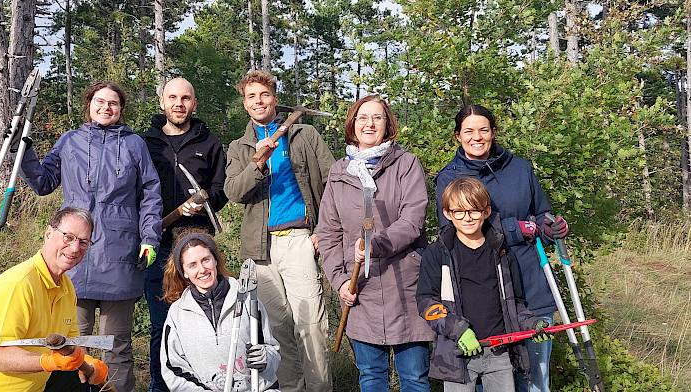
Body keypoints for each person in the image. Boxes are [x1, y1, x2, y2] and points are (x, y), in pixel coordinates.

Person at [18, 81, 163, 392]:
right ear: (89, 105)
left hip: (122, 256)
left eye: (113, 103)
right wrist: (25, 150)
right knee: (71, 346)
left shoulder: (135, 145)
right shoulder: (70, 141)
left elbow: (151, 194)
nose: (106, 107)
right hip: (74, 255)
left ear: (121, 109)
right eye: (100, 101)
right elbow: (44, 182)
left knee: (117, 346)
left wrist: (150, 238)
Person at [435, 104, 569, 392]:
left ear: (493, 133)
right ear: (458, 136)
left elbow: (542, 213)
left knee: (535, 381)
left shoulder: (520, 168)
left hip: (530, 287)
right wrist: (516, 229)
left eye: (483, 129)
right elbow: (451, 234)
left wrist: (550, 227)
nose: (477, 137)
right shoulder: (449, 178)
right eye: (468, 131)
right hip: (484, 300)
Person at [223, 70, 334, 391]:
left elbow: (331, 182)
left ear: (275, 98)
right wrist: (257, 163)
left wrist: (323, 230)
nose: (259, 101)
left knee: (310, 325)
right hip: (261, 251)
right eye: (251, 96)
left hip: (300, 239)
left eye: (264, 94)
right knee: (279, 330)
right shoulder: (239, 146)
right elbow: (233, 191)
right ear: (245, 104)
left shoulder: (304, 135)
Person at [317, 95, 434, 392]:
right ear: (352, 125)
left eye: (377, 118)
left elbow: (412, 221)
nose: (369, 124)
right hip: (361, 289)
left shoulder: (406, 164)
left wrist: (375, 244)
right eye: (362, 118)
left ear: (388, 124)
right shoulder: (339, 172)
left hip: (406, 287)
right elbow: (328, 234)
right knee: (371, 378)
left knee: (415, 378)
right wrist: (341, 281)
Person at [0, 207, 108, 391]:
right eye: (68, 237)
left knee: (79, 382)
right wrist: (48, 362)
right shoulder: (18, 285)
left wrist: (90, 363)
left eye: (83, 242)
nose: (75, 248)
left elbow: (72, 344)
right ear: (48, 234)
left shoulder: (67, 287)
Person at [417, 177, 551, 391]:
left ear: (486, 211)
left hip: (499, 352)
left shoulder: (502, 252)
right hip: (457, 354)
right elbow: (426, 303)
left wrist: (532, 324)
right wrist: (459, 330)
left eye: (474, 211)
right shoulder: (437, 254)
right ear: (447, 214)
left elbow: (515, 303)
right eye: (459, 211)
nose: (467, 218)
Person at [142, 77, 228, 392]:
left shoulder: (210, 142)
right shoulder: (145, 143)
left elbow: (222, 189)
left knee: (202, 321)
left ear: (194, 103)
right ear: (163, 102)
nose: (179, 104)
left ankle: (203, 384)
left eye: (186, 98)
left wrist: (206, 199)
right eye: (173, 98)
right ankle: (160, 385)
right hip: (155, 241)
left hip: (196, 243)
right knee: (161, 322)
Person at [159, 231, 281, 391]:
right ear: (184, 272)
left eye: (205, 260)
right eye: (192, 265)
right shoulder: (177, 314)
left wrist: (266, 358)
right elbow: (173, 370)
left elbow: (273, 350)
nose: (202, 269)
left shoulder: (248, 299)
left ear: (215, 260)